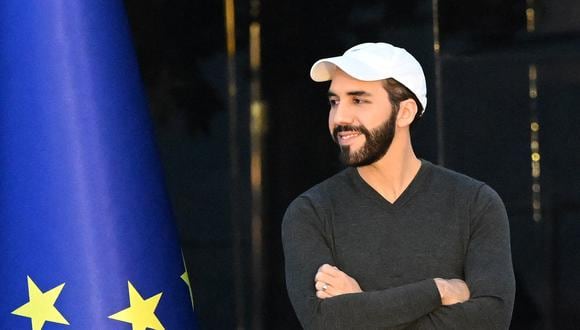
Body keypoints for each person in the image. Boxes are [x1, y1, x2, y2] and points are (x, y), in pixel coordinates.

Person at [281, 42, 515, 329]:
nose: (339, 117)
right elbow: (325, 321)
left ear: (404, 112)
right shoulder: (311, 213)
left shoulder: (475, 203)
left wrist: (361, 307)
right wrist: (437, 290)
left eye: (358, 100)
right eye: (334, 102)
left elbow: (491, 319)